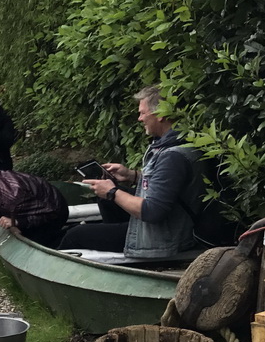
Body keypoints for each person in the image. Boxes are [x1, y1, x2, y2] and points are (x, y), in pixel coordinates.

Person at [58, 85, 205, 258]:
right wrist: (132, 176)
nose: (139, 118)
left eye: (143, 113)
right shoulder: (183, 142)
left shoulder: (173, 156)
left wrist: (112, 192)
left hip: (167, 240)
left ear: (161, 115)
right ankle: (122, 250)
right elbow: (171, 185)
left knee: (76, 235)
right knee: (105, 200)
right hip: (174, 227)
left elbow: (153, 211)